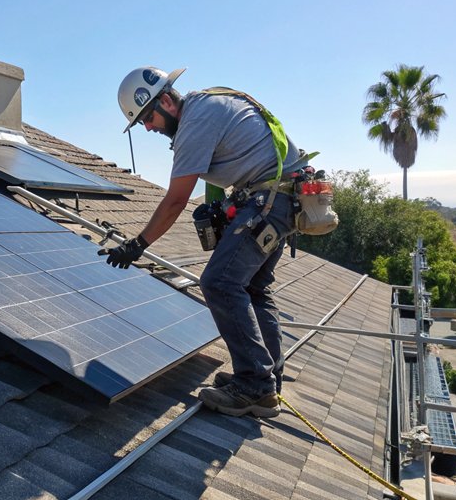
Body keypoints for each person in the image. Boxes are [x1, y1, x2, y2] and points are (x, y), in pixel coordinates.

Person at [102, 66, 309, 418]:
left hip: (270, 200)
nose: (148, 128)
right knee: (253, 288)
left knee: (219, 282)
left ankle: (255, 385)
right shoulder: (208, 103)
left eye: (148, 118)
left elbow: (175, 201)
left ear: (166, 101)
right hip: (284, 198)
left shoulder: (195, 122)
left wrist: (138, 244)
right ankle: (266, 378)